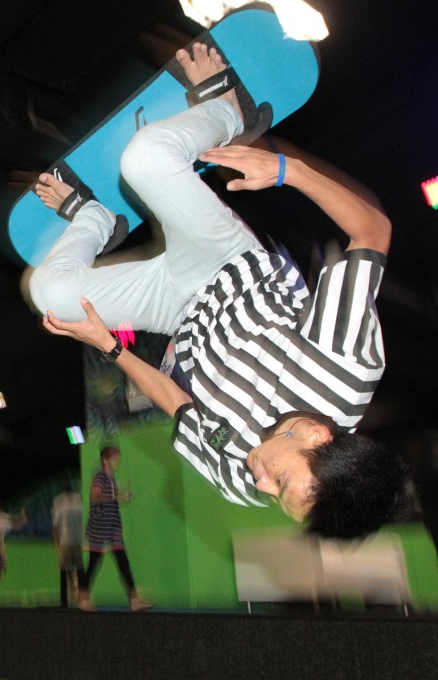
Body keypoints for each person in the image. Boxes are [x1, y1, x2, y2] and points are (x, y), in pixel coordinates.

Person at [29, 43, 405, 540]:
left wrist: (109, 346)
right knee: (145, 158)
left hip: (174, 312)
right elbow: (372, 233)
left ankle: (95, 219)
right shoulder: (348, 367)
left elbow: (178, 405)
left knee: (49, 295)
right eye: (282, 481)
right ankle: (229, 109)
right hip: (226, 264)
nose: (262, 486)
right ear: (317, 435)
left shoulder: (241, 482)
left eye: (275, 499)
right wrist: (289, 172)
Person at [82, 447, 151, 612]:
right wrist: (115, 497)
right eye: (115, 457)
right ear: (106, 460)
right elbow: (94, 495)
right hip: (100, 527)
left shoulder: (111, 478)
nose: (118, 460)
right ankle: (83, 599)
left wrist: (121, 497)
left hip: (113, 527)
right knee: (94, 563)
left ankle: (134, 601)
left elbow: (111, 498)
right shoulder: (100, 477)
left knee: (123, 562)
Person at [51, 482, 88, 609]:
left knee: (64, 571)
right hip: (77, 541)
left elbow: (56, 526)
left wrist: (56, 545)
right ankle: (83, 599)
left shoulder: (60, 503)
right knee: (80, 570)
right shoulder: (78, 502)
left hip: (66, 541)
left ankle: (64, 601)